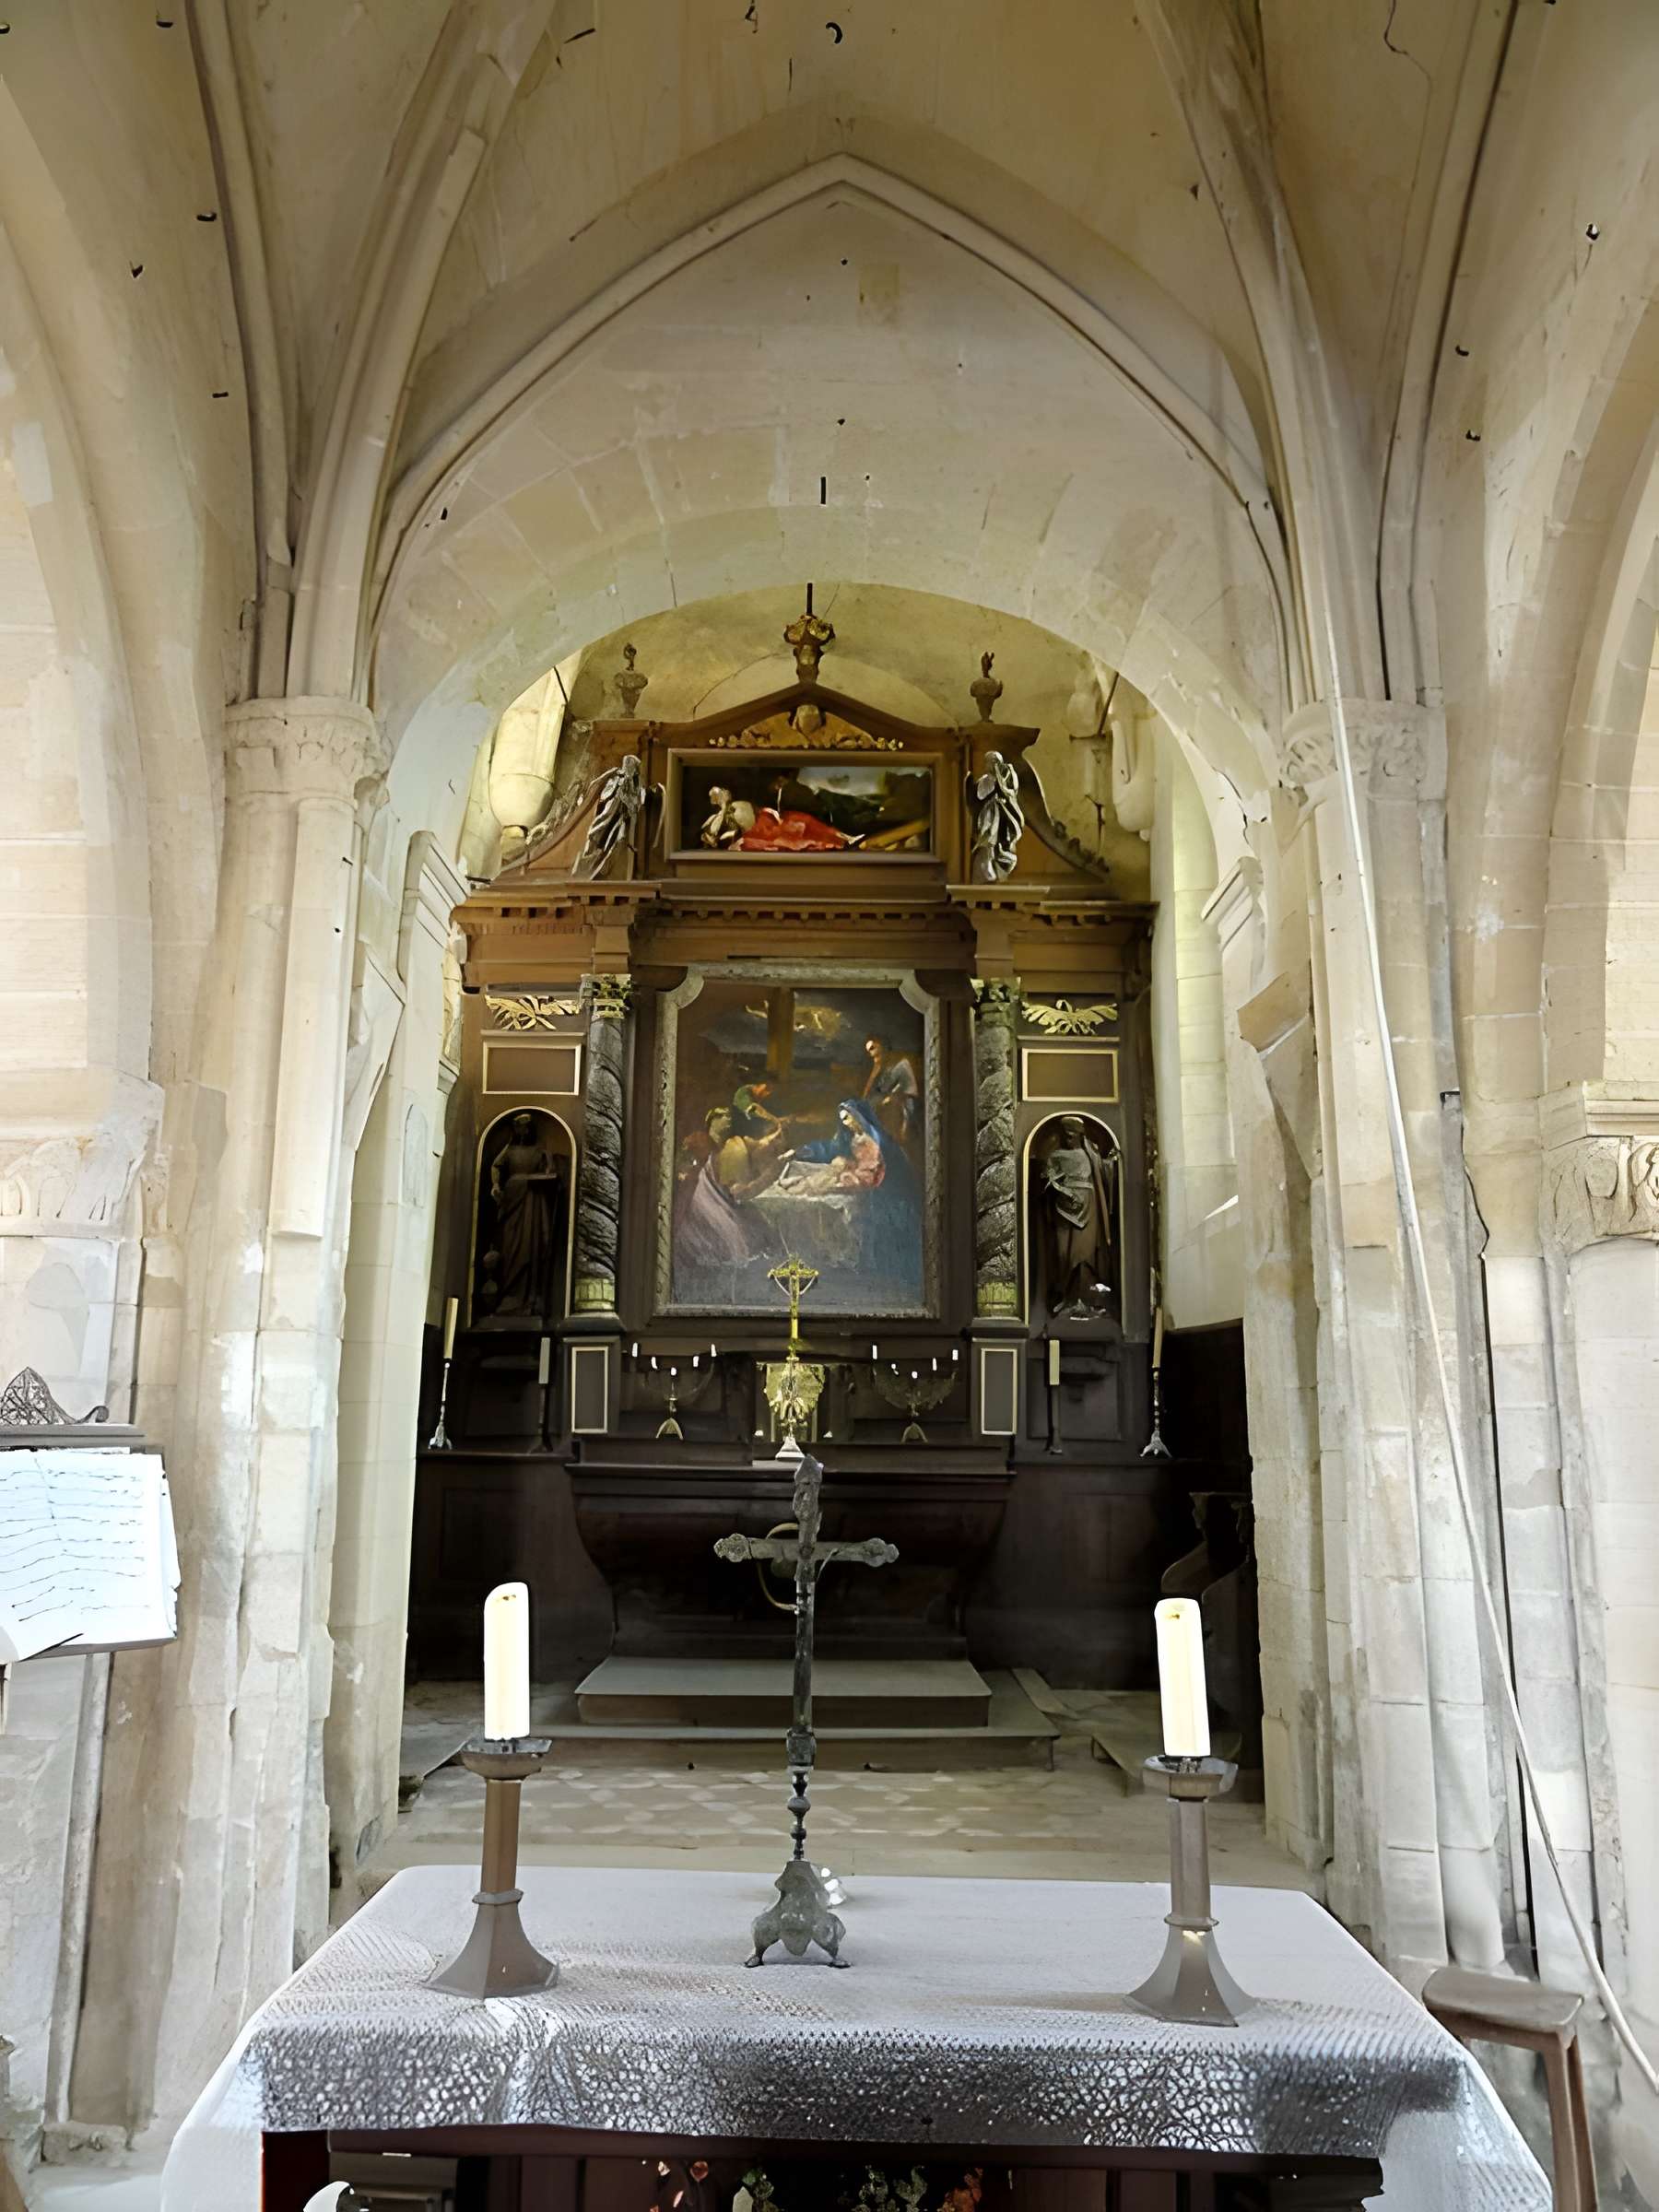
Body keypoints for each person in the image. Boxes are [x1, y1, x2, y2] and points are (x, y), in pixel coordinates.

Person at [782, 1098, 920, 1282]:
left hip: (883, 1190)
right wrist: (804, 1151)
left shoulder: (878, 1140)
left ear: (860, 1117)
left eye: (849, 1118)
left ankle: (882, 1269)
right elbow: (829, 1148)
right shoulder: (850, 1138)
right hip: (858, 1182)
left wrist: (866, 1180)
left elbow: (885, 1167)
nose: (847, 1123)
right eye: (844, 1119)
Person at [486, 1112, 561, 1317]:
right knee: (510, 1248)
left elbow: (550, 1173)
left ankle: (528, 1297)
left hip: (532, 1203)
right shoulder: (509, 1150)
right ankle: (509, 1296)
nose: (522, 1131)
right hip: (512, 1200)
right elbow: (496, 1166)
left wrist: (545, 1173)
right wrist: (495, 1185)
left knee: (530, 1248)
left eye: (525, 1127)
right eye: (519, 1127)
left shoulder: (539, 1151)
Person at [1039, 1114, 1114, 1316]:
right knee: (1064, 1255)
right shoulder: (1057, 1156)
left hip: (1089, 1208)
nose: (1068, 1139)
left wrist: (1112, 1163)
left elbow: (1105, 1176)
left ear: (1080, 1136)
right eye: (1066, 1136)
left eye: (1072, 1136)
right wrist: (1059, 1189)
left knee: (1085, 1256)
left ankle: (1087, 1301)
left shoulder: (1092, 1156)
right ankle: (1066, 1298)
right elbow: (1045, 1181)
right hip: (1064, 1210)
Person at [861, 1033, 920, 1147]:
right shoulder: (883, 1067)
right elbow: (875, 1091)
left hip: (905, 1102)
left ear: (882, 1046)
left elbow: (900, 1089)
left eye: (873, 1048)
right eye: (869, 1051)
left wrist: (888, 1098)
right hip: (892, 1100)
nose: (871, 1054)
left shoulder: (901, 1064)